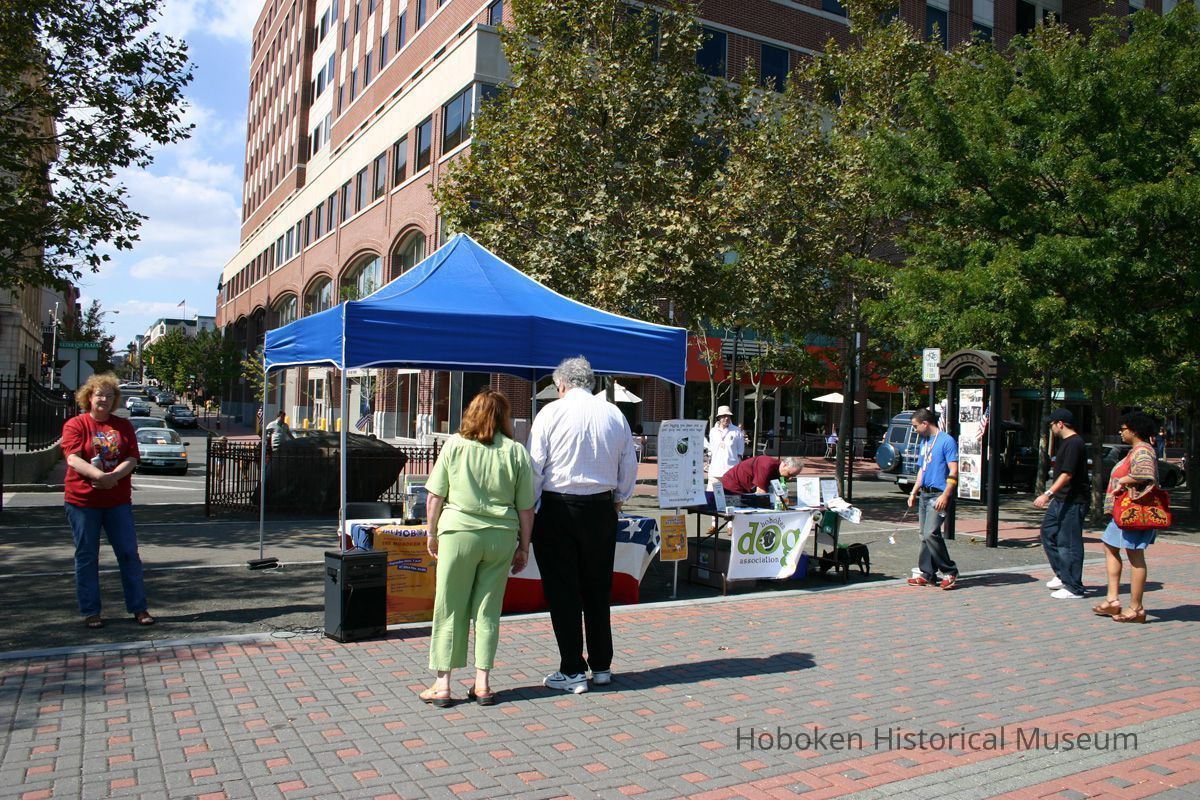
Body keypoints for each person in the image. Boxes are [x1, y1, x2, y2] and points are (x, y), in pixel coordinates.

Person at [529, 356, 637, 694]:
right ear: (588, 382)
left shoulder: (550, 413)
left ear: (561, 384)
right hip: (601, 507)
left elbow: (534, 466)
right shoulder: (613, 413)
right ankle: (601, 664)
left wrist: (531, 507)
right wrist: (618, 497)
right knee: (596, 587)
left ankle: (573, 668)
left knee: (563, 590)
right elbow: (628, 464)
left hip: (558, 506)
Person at [421, 389, 535, 706]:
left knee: (449, 607)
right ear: (504, 418)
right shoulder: (516, 452)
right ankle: (482, 682)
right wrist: (524, 546)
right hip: (500, 537)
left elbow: (434, 497)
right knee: (488, 610)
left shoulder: (455, 445)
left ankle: (443, 684)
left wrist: (432, 533)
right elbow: (526, 508)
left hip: (458, 532)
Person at [60, 374, 154, 629]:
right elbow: (72, 458)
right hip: (82, 501)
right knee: (87, 555)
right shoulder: (76, 424)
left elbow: (132, 457)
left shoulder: (123, 426)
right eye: (99, 394)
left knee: (128, 553)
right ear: (89, 397)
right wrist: (99, 476)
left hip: (117, 500)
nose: (103, 399)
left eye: (109, 395)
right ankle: (91, 611)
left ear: (114, 400)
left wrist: (113, 477)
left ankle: (139, 608)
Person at [1093, 411, 1160, 623]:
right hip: (1122, 513)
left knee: (1135, 556)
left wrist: (1123, 481)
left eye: (1123, 429)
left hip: (1135, 512)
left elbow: (1145, 474)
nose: (1120, 432)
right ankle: (1113, 600)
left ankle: (1136, 608)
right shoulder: (1136, 450)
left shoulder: (1142, 451)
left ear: (1134, 430)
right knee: (1110, 546)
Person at [1033, 408, 1090, 599]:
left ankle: (1074, 586)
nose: (1051, 427)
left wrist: (1047, 494)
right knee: (1048, 533)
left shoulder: (1075, 443)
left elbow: (1067, 474)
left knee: (1069, 543)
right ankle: (1062, 574)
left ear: (1060, 424)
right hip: (1061, 500)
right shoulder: (1067, 443)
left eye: (1052, 424)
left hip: (1073, 500)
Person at [905, 408, 959, 590]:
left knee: (931, 533)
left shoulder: (946, 441)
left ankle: (949, 570)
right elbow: (922, 469)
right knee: (923, 536)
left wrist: (946, 494)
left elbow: (954, 470)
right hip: (925, 493)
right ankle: (927, 573)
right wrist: (913, 492)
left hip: (938, 493)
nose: (914, 430)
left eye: (915, 426)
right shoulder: (925, 442)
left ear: (925, 423)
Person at [720, 455, 803, 495]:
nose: (790, 478)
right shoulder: (766, 466)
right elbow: (760, 492)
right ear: (784, 465)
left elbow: (778, 492)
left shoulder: (780, 471)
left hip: (747, 487)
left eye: (794, 476)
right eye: (789, 474)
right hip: (733, 484)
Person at [705, 405, 744, 484]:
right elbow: (711, 449)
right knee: (712, 494)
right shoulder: (713, 431)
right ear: (719, 417)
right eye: (724, 416)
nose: (726, 418)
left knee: (731, 495)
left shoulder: (737, 431)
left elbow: (740, 451)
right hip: (716, 470)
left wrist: (738, 468)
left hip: (731, 470)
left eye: (728, 416)